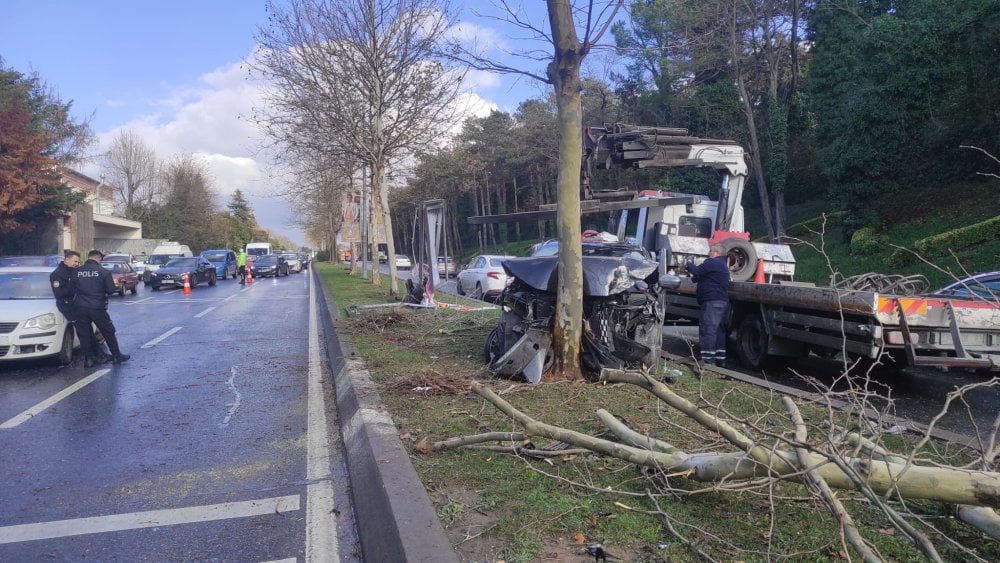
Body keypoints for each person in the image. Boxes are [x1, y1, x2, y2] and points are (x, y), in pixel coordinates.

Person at [49, 250, 110, 364]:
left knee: (88, 331)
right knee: (83, 332)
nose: (77, 264)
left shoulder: (75, 271)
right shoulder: (57, 274)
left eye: (78, 261)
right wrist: (76, 288)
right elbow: (59, 293)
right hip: (68, 306)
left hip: (78, 304)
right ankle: (90, 358)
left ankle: (98, 355)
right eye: (75, 261)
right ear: (66, 260)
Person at [73, 250, 130, 366]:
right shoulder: (103, 272)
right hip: (97, 307)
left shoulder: (76, 272)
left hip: (80, 307)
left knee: (84, 334)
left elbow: (71, 288)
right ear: (99, 259)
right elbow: (110, 290)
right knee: (108, 331)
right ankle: (116, 356)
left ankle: (88, 359)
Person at [686, 244, 731, 367]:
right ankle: (720, 359)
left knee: (708, 330)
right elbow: (697, 277)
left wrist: (689, 261)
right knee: (718, 331)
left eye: (710, 251)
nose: (708, 253)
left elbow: (696, 271)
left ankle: (708, 360)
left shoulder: (712, 263)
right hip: (722, 301)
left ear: (716, 252)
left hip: (712, 301)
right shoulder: (721, 265)